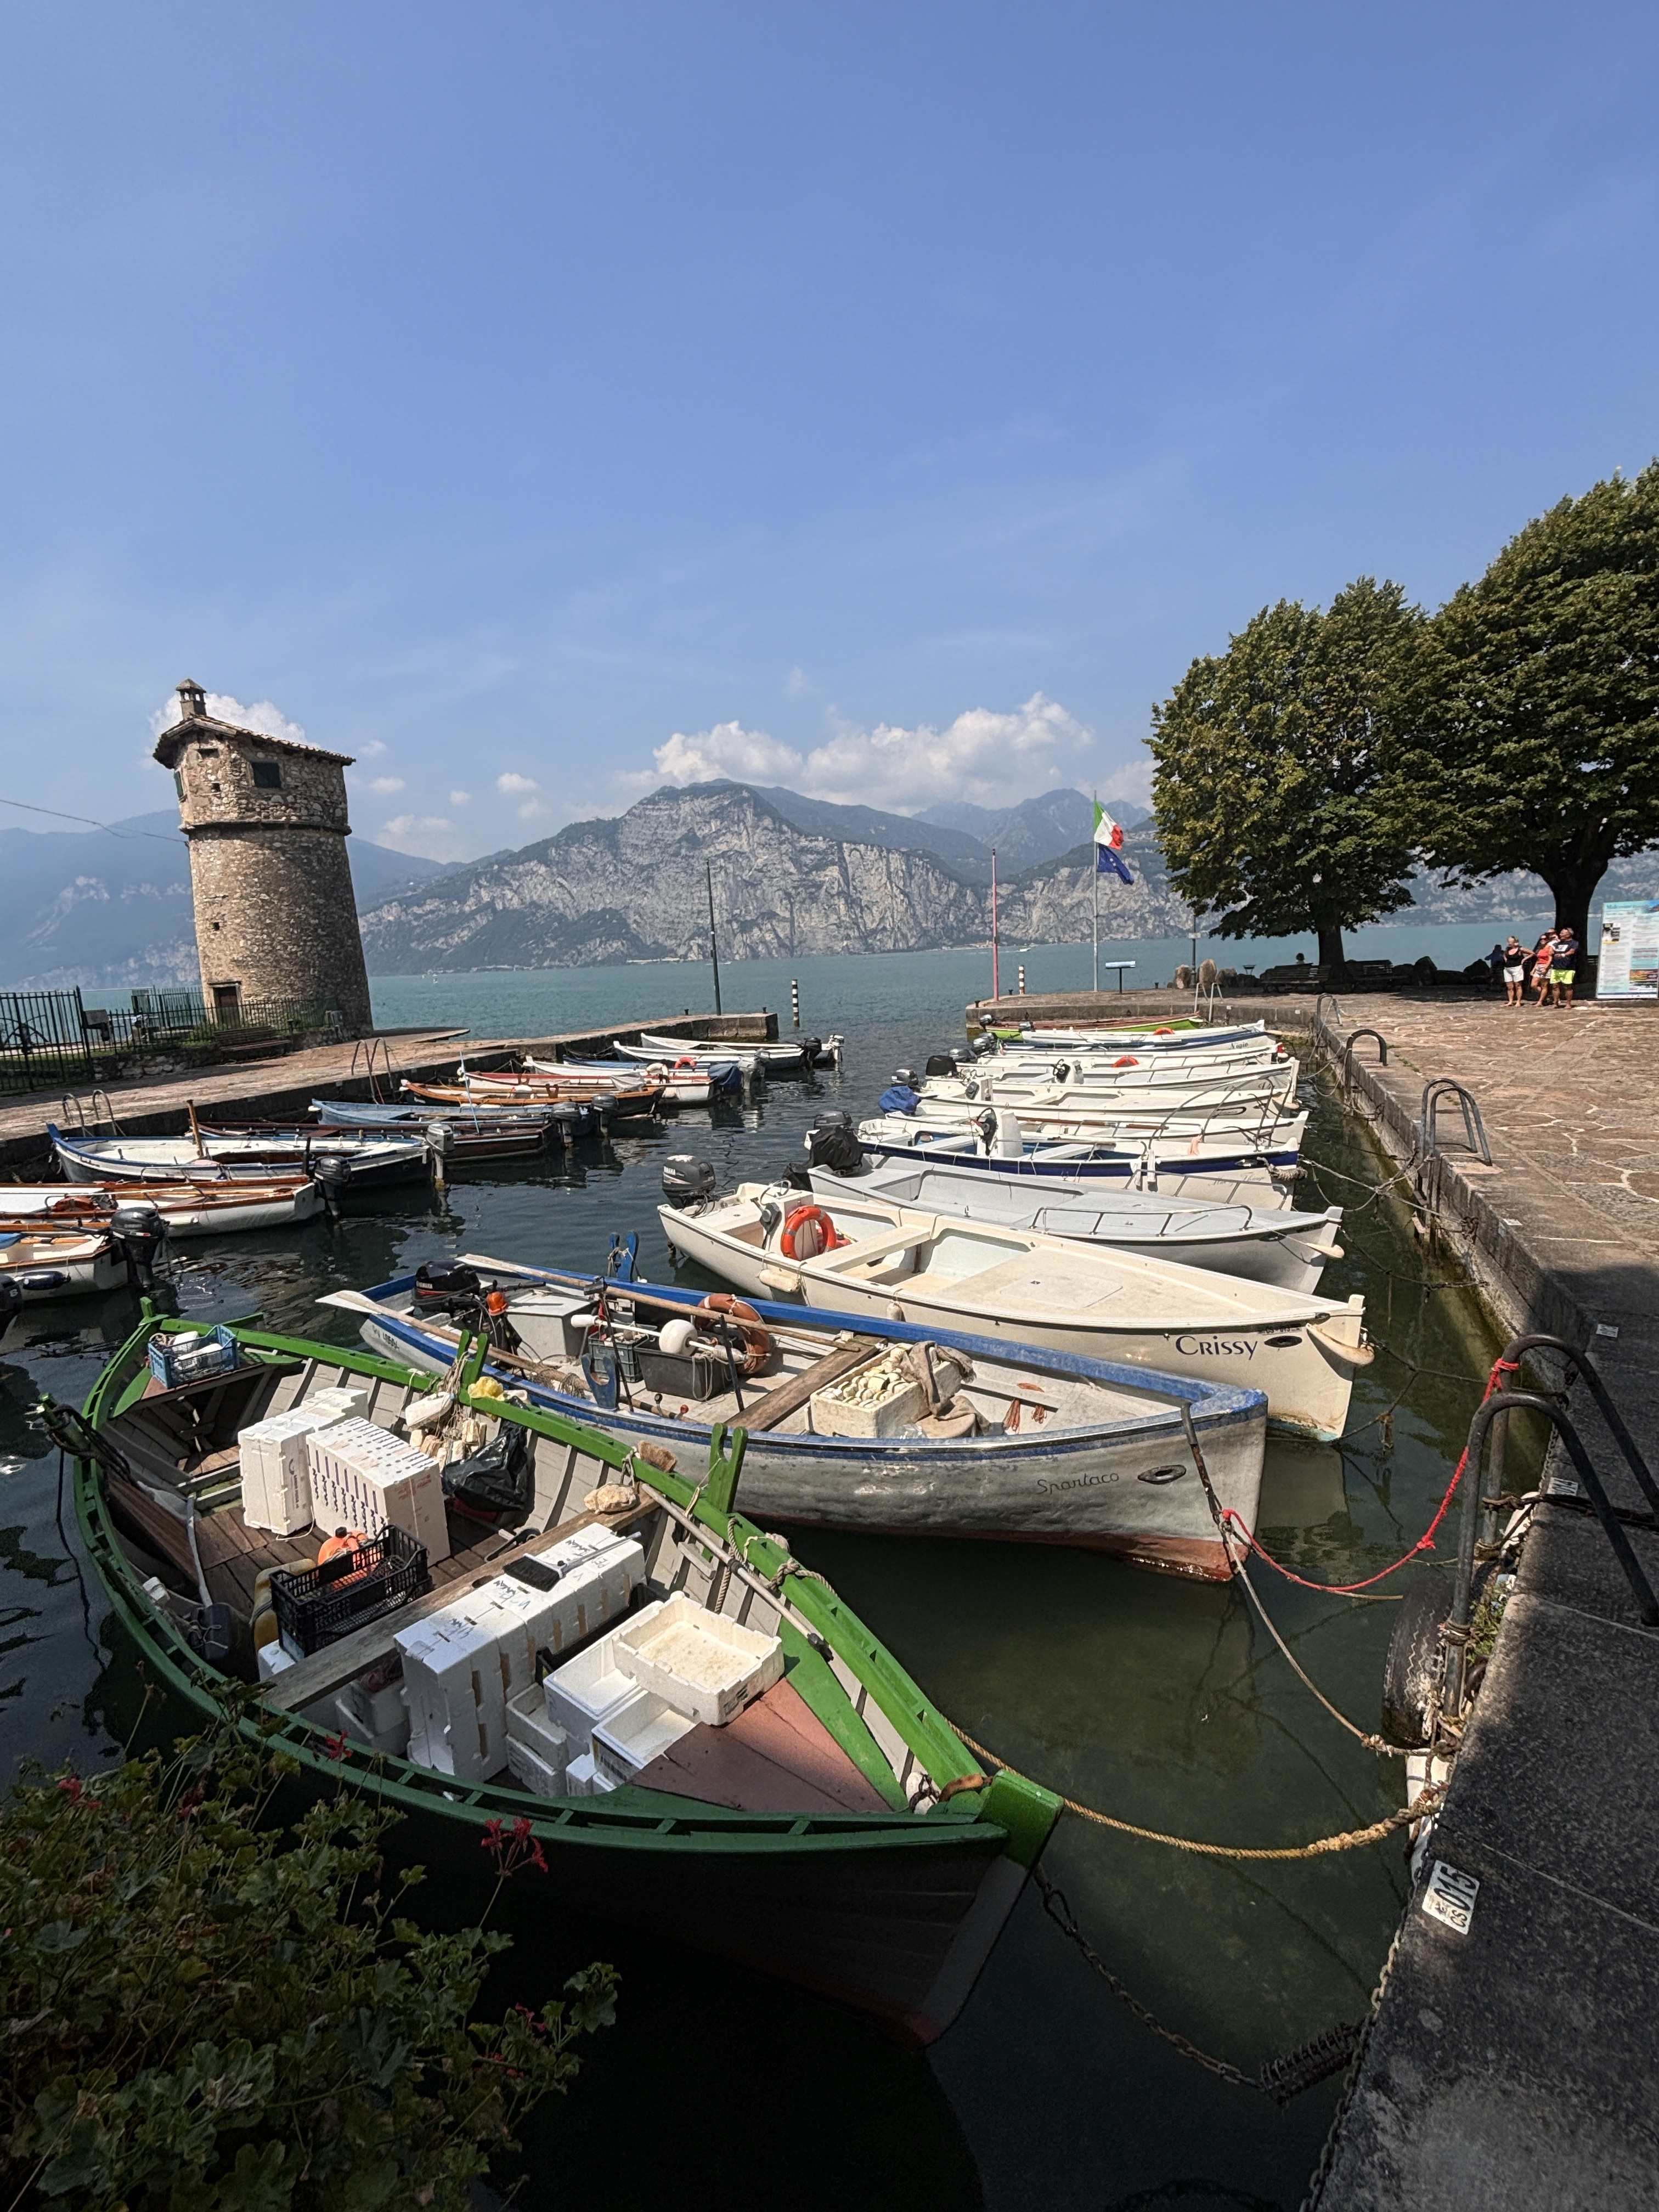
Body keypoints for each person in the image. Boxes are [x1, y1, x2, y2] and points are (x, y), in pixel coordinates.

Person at [1548, 926, 1579, 1007]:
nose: (1560, 934)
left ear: (1568, 935)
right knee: (1555, 986)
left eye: (1562, 933)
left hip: (1568, 969)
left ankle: (1568, 1003)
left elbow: (1572, 951)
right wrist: (1552, 946)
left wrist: (1563, 955)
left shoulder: (1574, 943)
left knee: (1567, 986)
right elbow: (1550, 950)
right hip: (1556, 968)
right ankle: (1556, 1003)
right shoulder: (1558, 943)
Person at [1530, 931, 1556, 1007]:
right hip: (1538, 967)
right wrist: (1534, 969)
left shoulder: (1549, 948)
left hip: (1545, 967)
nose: (1542, 940)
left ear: (1548, 940)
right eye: (1541, 939)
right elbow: (1538, 960)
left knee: (1544, 985)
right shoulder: (1540, 948)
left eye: (1544, 939)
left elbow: (1550, 959)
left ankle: (1540, 1001)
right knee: (1534, 985)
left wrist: (1546, 968)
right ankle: (1547, 995)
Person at [1501, 934, 1527, 1007]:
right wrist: (1506, 960)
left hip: (1517, 968)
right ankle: (1510, 1001)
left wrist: (1524, 960)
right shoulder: (1507, 949)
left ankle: (1518, 1001)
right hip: (1507, 969)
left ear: (1515, 942)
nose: (1509, 943)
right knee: (1510, 986)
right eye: (1508, 942)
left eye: (1511, 942)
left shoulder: (1520, 949)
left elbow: (1532, 953)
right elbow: (1504, 955)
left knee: (1518, 985)